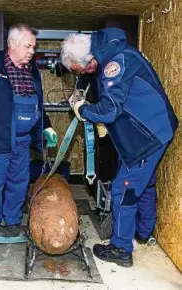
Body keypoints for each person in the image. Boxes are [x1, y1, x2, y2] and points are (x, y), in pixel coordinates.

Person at [61, 28, 178, 267]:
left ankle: (121, 249)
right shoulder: (107, 50)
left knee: (123, 190)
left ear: (91, 61)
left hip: (146, 136)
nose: (81, 74)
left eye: (81, 70)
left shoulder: (116, 63)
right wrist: (81, 87)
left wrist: (82, 109)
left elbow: (110, 110)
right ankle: (143, 232)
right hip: (152, 127)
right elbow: (99, 86)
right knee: (144, 184)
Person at [0, 24, 58, 236]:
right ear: (12, 44)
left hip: (23, 140)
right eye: (28, 46)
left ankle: (13, 220)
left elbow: (38, 104)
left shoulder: (32, 71)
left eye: (33, 47)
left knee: (19, 182)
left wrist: (46, 126)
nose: (31, 52)